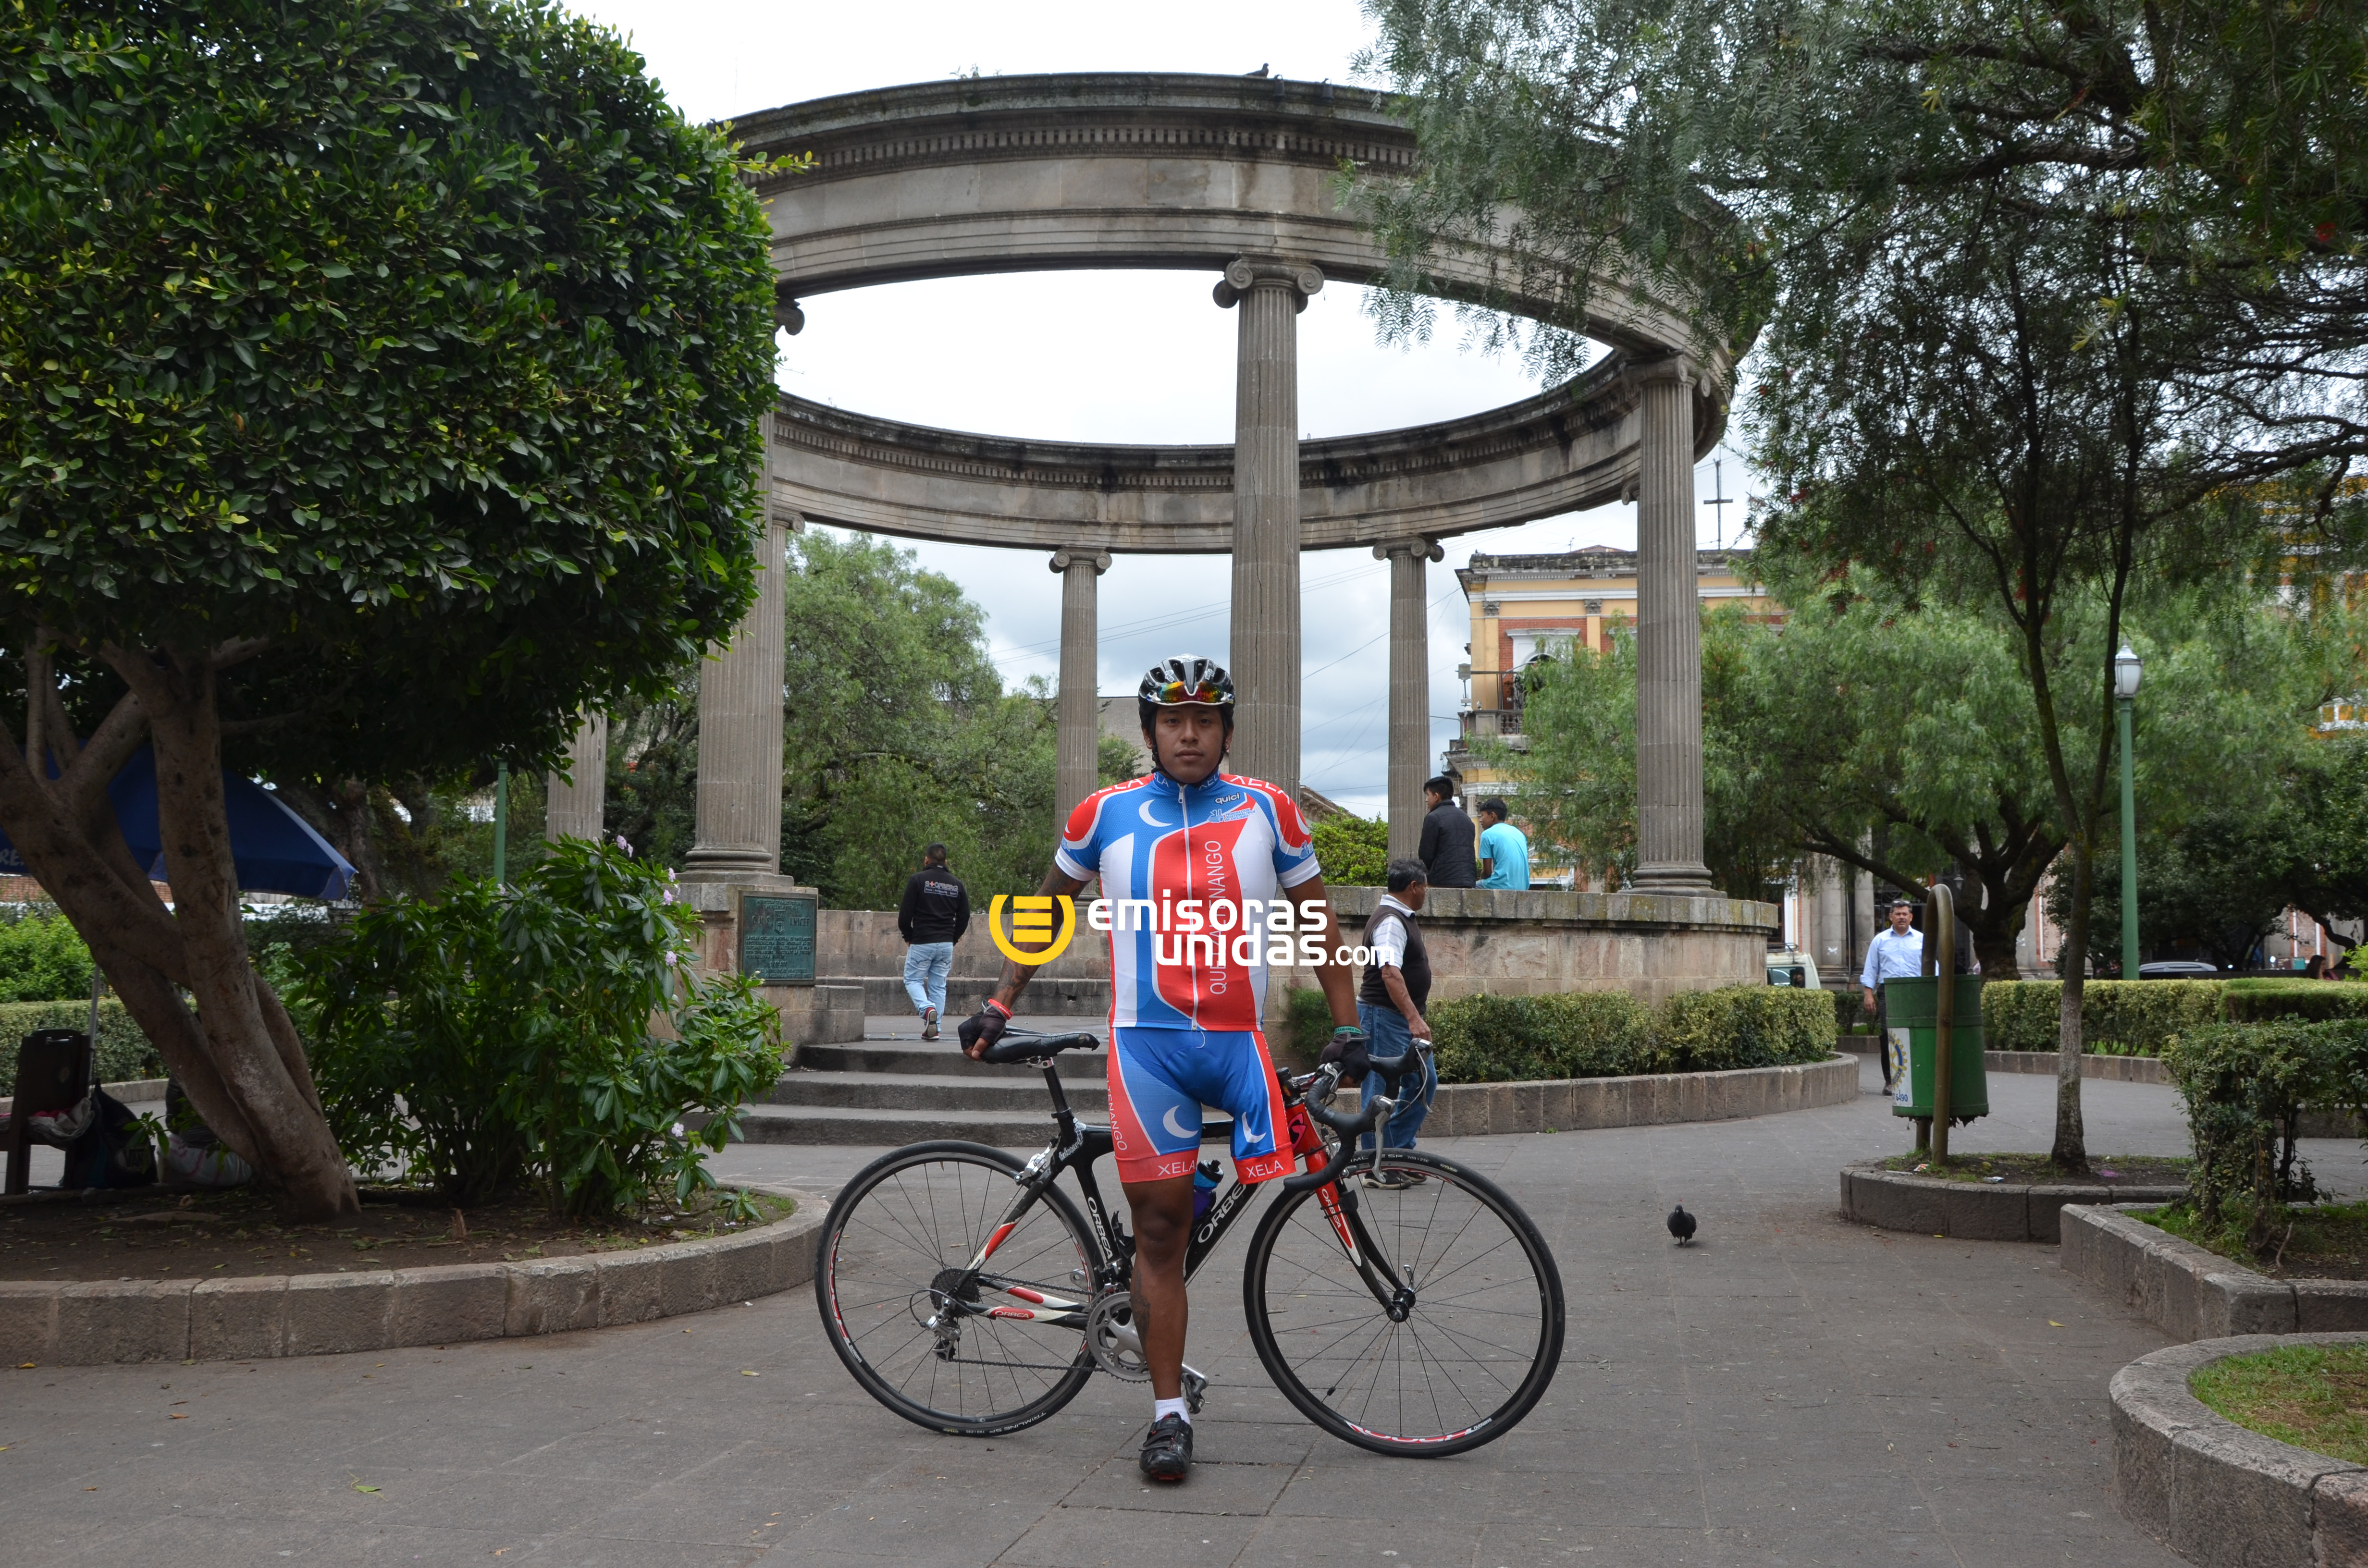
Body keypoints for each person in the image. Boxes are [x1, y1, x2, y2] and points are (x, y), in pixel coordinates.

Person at [959, 655, 1363, 1487]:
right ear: (1150, 731)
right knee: (1157, 1233)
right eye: (1172, 721)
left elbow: (1317, 923)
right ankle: (1167, 1414)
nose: (1188, 734)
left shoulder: (1268, 810)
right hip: (1145, 1049)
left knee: (1261, 1181)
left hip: (1235, 1040)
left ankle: (1185, 1232)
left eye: (1205, 721)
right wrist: (999, 1001)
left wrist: (1351, 1025)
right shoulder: (1103, 813)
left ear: (1224, 731)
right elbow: (1045, 907)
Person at [1356, 858, 1437, 1185]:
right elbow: (1390, 973)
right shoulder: (1391, 921)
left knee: (1423, 1083)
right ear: (1414, 886)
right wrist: (1414, 1019)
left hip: (1395, 1018)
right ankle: (1376, 1165)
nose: (1426, 893)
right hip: (1383, 1018)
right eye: (1425, 886)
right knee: (1379, 1090)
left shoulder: (1401, 918)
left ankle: (1398, 1154)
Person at [897, 844, 969, 1041]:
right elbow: (964, 916)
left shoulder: (918, 880)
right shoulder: (956, 884)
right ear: (946, 862)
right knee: (938, 986)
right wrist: (953, 937)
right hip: (946, 944)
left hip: (922, 941)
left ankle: (927, 1009)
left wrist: (908, 936)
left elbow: (905, 914)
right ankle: (935, 1029)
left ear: (926, 860)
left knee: (913, 980)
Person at [1860, 898, 1924, 1090]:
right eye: (1898, 914)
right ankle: (1891, 1080)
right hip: (1889, 992)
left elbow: (1933, 969)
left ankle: (1917, 1076)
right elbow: (1871, 969)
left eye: (1905, 914)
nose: (1902, 917)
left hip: (1916, 992)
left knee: (1917, 1034)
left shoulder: (1922, 940)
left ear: (1911, 917)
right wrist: (1868, 994)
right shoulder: (1880, 941)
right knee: (1889, 1035)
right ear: (1891, 917)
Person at [1415, 775, 1477, 888]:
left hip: (1441, 881)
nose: (1426, 800)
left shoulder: (1433, 818)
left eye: (1428, 795)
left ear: (1436, 796)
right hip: (1469, 881)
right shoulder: (1467, 819)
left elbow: (1425, 855)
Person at [1474, 797, 1530, 891]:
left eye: (1482, 815)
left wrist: (1481, 881)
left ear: (1492, 816)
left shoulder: (1487, 835)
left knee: (1470, 889)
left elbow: (1487, 872)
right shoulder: (1518, 833)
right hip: (1523, 887)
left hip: (1501, 884)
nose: (1481, 820)